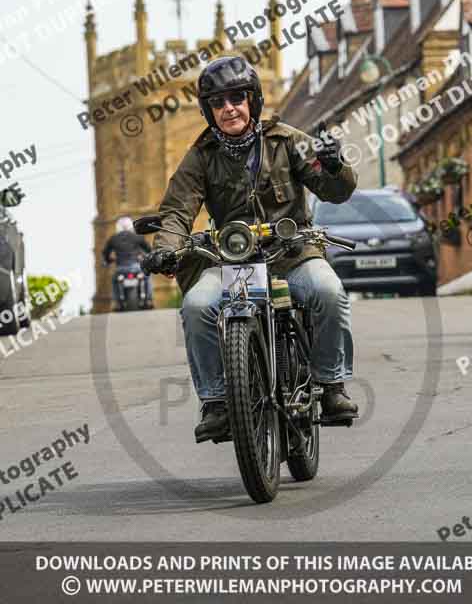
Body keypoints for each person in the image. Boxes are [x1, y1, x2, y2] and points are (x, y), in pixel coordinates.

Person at [142, 55, 358, 443]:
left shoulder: (288, 139)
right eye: (218, 103)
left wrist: (333, 165)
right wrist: (166, 248)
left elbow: (336, 191)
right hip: (231, 261)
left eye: (236, 98)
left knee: (328, 291)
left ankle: (331, 385)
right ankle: (217, 402)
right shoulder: (201, 156)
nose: (228, 108)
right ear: (209, 110)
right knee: (195, 306)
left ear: (252, 100)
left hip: (292, 255)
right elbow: (176, 211)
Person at [102, 216, 154, 309]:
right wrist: (150, 257)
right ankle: (149, 299)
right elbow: (148, 249)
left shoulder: (113, 238)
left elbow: (105, 252)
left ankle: (117, 302)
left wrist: (107, 260)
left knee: (114, 280)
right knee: (147, 276)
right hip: (136, 267)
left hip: (121, 268)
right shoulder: (137, 236)